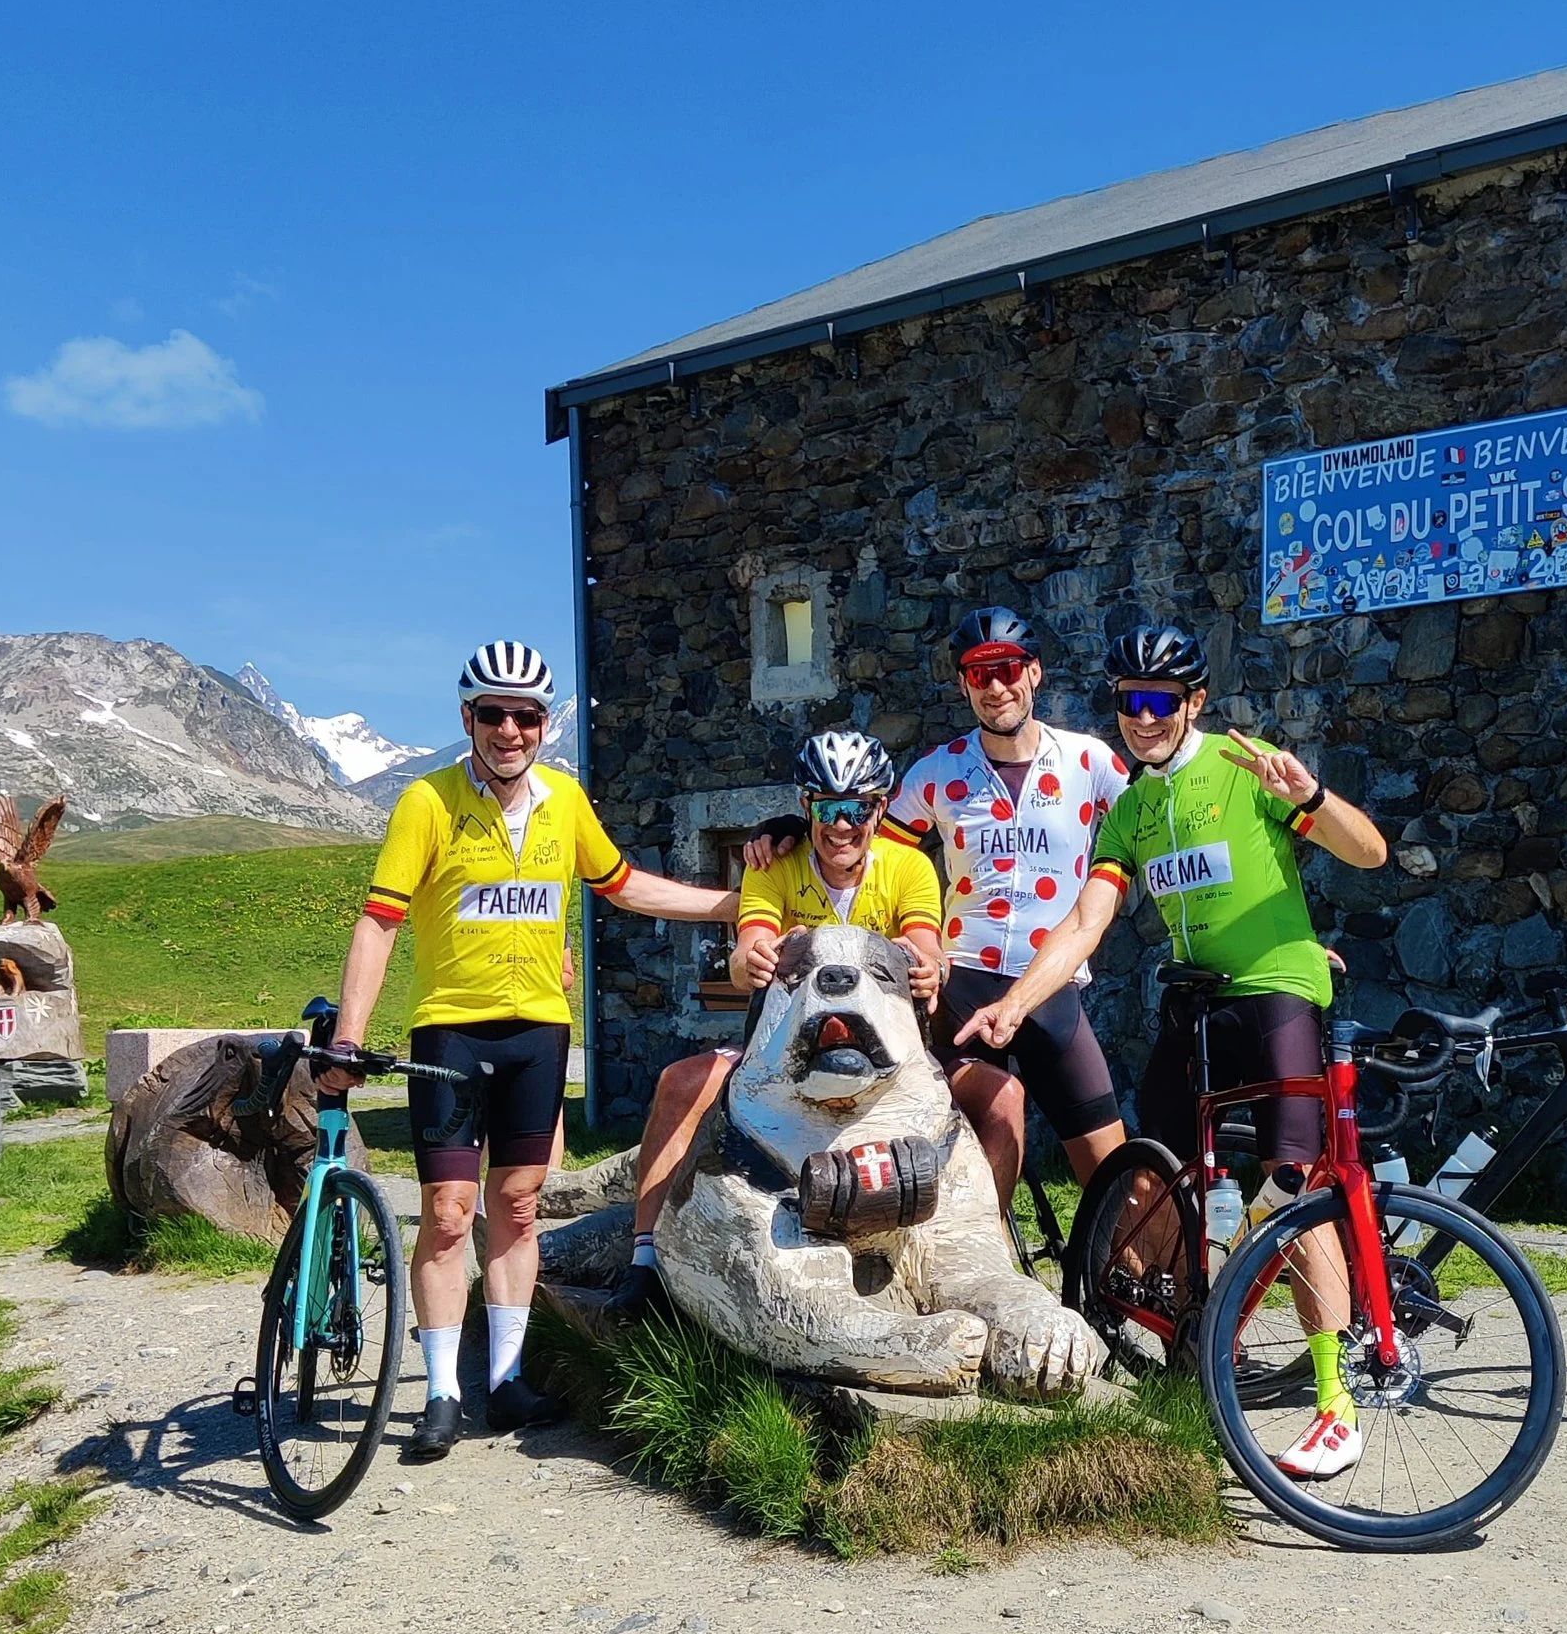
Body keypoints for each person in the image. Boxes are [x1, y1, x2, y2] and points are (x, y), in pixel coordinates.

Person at [954, 623, 1389, 1478]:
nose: (1142, 718)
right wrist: (1014, 1002)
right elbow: (1085, 922)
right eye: (1128, 702)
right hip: (1192, 1004)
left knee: (1291, 1184)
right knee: (1149, 1175)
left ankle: (1336, 1403)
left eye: (1159, 702)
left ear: (1193, 703)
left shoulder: (1244, 766)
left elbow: (1369, 853)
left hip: (1273, 991)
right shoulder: (1132, 809)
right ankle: (1189, 1339)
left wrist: (1311, 799)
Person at [325, 642, 740, 1459]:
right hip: (450, 1027)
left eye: (526, 717)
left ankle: (507, 1380)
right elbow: (379, 921)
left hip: (538, 1033)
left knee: (516, 1208)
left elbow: (623, 884)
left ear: (546, 726)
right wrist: (349, 1032)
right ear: (467, 719)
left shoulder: (564, 800)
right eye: (493, 715)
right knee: (448, 1214)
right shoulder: (428, 802)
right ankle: (442, 1390)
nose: (510, 731)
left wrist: (735, 903)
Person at [606, 729, 942, 1319]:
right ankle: (646, 1259)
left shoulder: (909, 867)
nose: (842, 826)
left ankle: (972, 1256)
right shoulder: (774, 865)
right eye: (827, 808)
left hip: (887, 1065)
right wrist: (749, 958)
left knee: (999, 1097)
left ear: (880, 808)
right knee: (681, 1083)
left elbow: (923, 942)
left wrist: (928, 966)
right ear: (806, 806)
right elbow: (749, 947)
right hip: (787, 1057)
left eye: (856, 808)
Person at [879, 607, 1130, 1224]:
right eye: (979, 674)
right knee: (962, 1166)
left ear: (1035, 673)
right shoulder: (937, 774)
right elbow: (864, 853)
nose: (996, 687)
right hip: (961, 987)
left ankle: (1131, 1296)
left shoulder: (1090, 761)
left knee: (1115, 1174)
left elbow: (1164, 827)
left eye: (1008, 670)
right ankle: (973, 1284)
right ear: (965, 684)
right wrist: (785, 832)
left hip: (1052, 986)